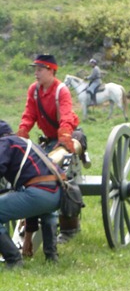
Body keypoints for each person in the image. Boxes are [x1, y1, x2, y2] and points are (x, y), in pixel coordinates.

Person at [16, 54, 87, 248]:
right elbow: (29, 114)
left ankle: (69, 228)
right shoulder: (34, 90)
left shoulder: (61, 91)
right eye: (35, 69)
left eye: (40, 69)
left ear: (51, 71)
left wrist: (64, 137)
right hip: (49, 139)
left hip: (68, 137)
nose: (36, 73)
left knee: (62, 176)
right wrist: (22, 133)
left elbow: (66, 116)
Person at [0, 120, 61, 267]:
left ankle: (14, 260)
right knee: (46, 211)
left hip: (38, 194)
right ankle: (51, 256)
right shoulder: (25, 142)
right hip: (58, 194)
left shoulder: (5, 143)